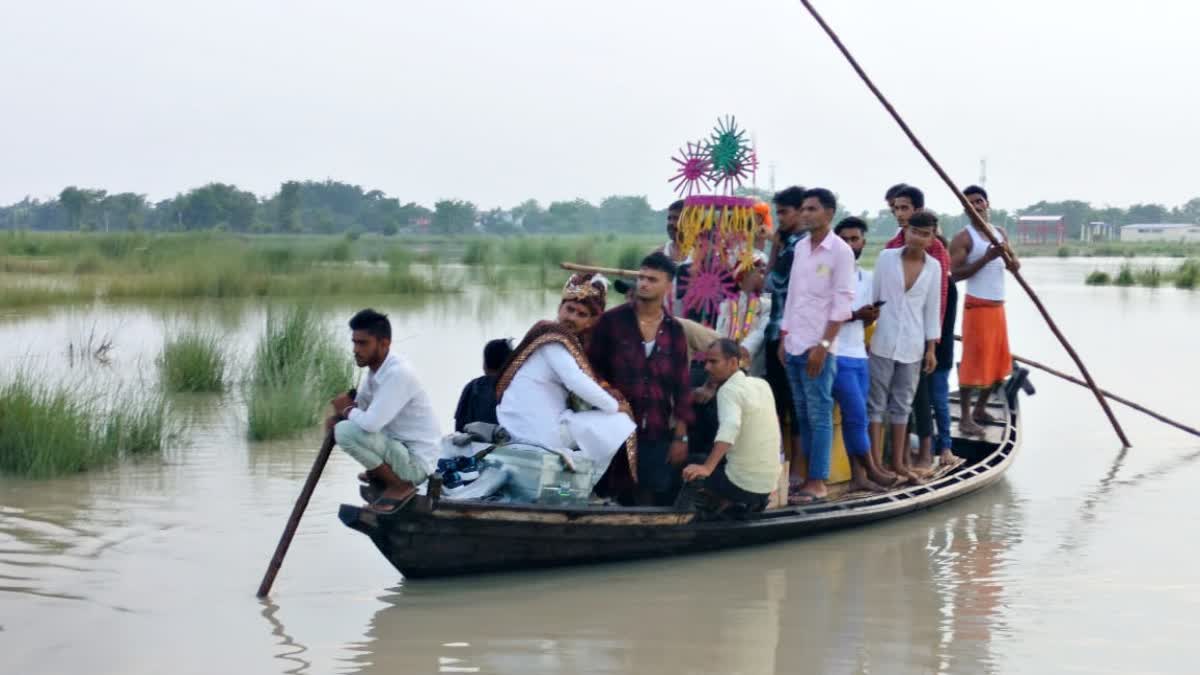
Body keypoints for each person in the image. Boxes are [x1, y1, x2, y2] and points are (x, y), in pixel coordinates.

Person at [495, 273, 636, 475]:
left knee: (596, 418)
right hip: (534, 430)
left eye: (581, 314)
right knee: (620, 422)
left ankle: (578, 471)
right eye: (569, 309)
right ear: (559, 308)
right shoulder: (553, 339)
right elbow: (576, 381)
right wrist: (615, 406)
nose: (572, 318)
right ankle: (586, 480)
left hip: (534, 425)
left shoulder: (567, 342)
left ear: (590, 321)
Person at [589, 252, 694, 505]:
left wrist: (681, 437)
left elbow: (682, 387)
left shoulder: (674, 330)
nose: (644, 284)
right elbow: (591, 370)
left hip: (656, 428)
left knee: (649, 494)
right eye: (641, 277)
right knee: (609, 492)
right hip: (614, 425)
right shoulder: (611, 322)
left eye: (652, 279)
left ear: (668, 286)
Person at [779, 188, 855, 503]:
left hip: (818, 347)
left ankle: (818, 481)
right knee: (803, 414)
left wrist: (824, 344)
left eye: (812, 209)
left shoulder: (839, 251)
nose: (806, 214)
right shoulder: (800, 248)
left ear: (828, 213)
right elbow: (793, 295)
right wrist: (784, 336)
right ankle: (809, 476)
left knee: (820, 414)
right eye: (804, 209)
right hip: (794, 342)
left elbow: (842, 303)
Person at [328, 309, 441, 514]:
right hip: (400, 450)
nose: (355, 349)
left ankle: (400, 485)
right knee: (341, 425)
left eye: (363, 343)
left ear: (384, 343)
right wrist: (340, 414)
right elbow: (361, 409)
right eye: (354, 342)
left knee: (345, 432)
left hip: (417, 464)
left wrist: (345, 409)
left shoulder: (398, 374)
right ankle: (382, 473)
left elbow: (371, 423)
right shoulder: (375, 370)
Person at [867, 212, 942, 484]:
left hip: (913, 344)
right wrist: (866, 334)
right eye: (915, 232)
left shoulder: (933, 267)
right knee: (875, 404)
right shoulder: (887, 258)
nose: (919, 238)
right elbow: (873, 298)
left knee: (902, 405)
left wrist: (931, 348)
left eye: (926, 234)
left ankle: (898, 463)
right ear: (906, 231)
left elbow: (932, 310)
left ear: (933, 237)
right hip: (882, 341)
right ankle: (875, 464)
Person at [886, 186, 950, 471]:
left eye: (904, 208)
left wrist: (930, 343)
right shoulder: (892, 246)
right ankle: (898, 456)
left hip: (927, 326)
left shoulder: (934, 248)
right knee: (897, 393)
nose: (899, 214)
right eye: (895, 209)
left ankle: (928, 451)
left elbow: (940, 297)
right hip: (897, 328)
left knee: (923, 390)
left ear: (918, 211)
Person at [831, 216, 896, 491]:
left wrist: (868, 316)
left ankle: (859, 478)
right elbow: (822, 314)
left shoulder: (866, 278)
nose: (849, 244)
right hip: (834, 352)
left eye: (854, 239)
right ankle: (872, 469)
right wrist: (856, 315)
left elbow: (867, 320)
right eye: (844, 239)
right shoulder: (826, 274)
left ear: (863, 243)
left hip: (859, 353)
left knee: (857, 417)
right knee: (857, 415)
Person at [950, 184, 1019, 436]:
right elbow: (953, 275)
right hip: (977, 307)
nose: (976, 207)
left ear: (987, 204)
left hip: (998, 306)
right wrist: (985, 259)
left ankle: (980, 408)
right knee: (974, 361)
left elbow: (1015, 266)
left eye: (979, 202)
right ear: (966, 209)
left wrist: (1008, 258)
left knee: (999, 361)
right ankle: (966, 417)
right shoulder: (964, 238)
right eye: (970, 204)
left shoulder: (999, 232)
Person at [682, 339, 781, 513]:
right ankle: (730, 501)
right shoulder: (762, 385)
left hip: (742, 486)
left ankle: (725, 501)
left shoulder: (728, 391)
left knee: (690, 463)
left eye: (714, 362)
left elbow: (730, 428)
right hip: (767, 487)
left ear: (733, 363)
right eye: (706, 362)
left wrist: (706, 468)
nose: (706, 368)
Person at [764, 186, 807, 432]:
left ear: (800, 212)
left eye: (784, 212)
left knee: (787, 402)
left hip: (786, 332)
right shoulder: (789, 243)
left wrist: (774, 250)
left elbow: (771, 283)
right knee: (783, 402)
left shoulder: (796, 247)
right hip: (778, 330)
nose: (780, 218)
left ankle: (791, 464)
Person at [714, 252, 770, 376]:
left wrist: (744, 349)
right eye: (758, 272)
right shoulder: (727, 304)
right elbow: (719, 332)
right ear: (743, 277)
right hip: (726, 365)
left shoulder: (766, 305)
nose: (763, 276)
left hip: (753, 368)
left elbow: (760, 333)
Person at [452, 338, 512, 432]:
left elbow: (459, 427)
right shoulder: (514, 388)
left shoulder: (471, 387)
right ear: (510, 364)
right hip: (505, 444)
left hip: (471, 443)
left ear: (485, 365)